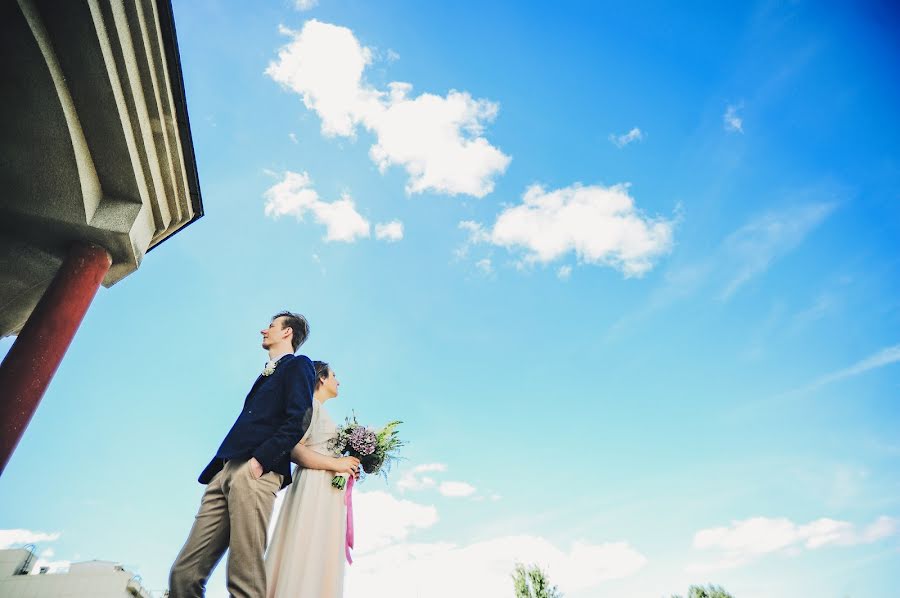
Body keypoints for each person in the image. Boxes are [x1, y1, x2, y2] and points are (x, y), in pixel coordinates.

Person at [169, 311, 316, 598]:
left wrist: (261, 461)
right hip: (223, 471)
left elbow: (299, 418)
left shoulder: (299, 365)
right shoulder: (265, 374)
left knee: (243, 576)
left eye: (271, 326)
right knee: (183, 574)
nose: (264, 330)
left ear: (287, 333)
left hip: (255, 471)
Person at [265, 360, 359, 598]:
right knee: (305, 542)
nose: (339, 381)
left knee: (320, 549)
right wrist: (336, 463)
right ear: (322, 378)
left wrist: (347, 466)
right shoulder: (309, 406)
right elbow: (294, 449)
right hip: (312, 486)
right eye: (334, 375)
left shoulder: (323, 411)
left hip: (328, 491)